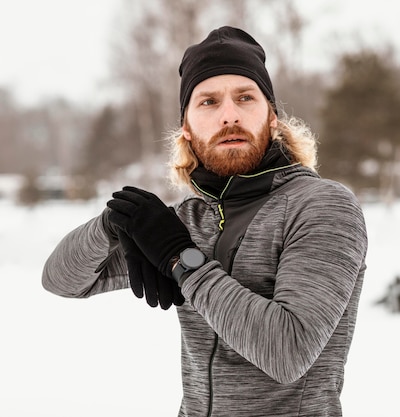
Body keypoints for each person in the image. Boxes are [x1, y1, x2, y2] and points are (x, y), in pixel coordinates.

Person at [42, 26, 368, 417]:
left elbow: (288, 352)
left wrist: (182, 260)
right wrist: (111, 224)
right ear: (187, 128)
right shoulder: (187, 220)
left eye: (245, 98)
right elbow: (61, 281)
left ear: (272, 118)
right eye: (208, 102)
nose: (229, 115)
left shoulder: (321, 206)